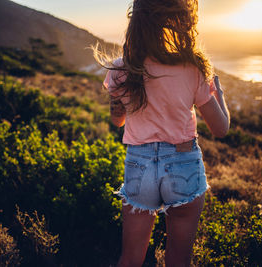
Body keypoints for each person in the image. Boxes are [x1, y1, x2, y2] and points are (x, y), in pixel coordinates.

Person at [96, 0, 230, 266]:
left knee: (131, 258)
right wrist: (220, 95)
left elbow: (117, 121)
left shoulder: (122, 69)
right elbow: (221, 128)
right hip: (183, 162)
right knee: (178, 261)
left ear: (136, 23)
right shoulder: (192, 68)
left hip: (139, 165)